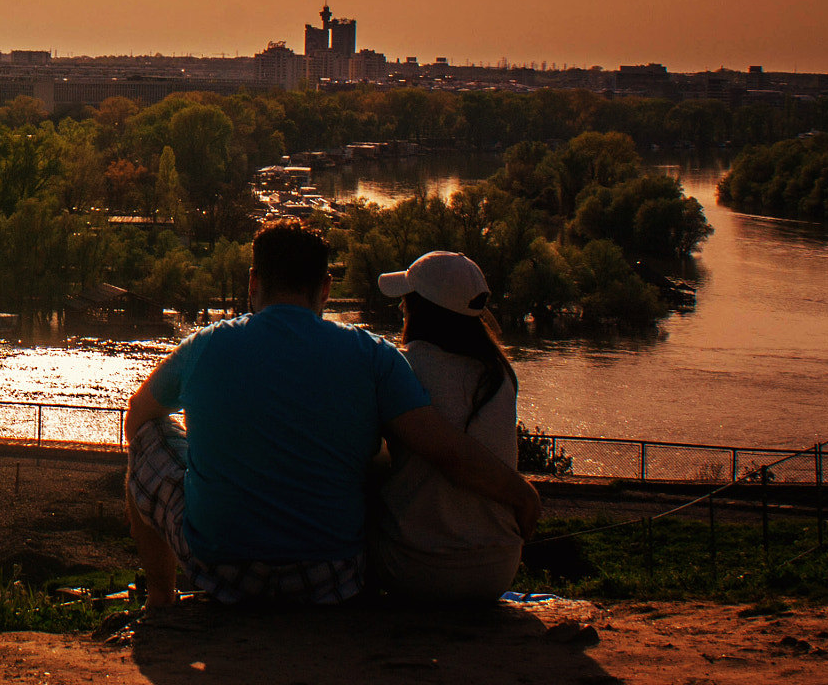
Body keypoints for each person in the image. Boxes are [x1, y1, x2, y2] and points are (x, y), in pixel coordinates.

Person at [124, 221, 539, 606]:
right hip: (333, 578)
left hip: (222, 572)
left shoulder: (204, 346)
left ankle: (161, 598)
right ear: (325, 287)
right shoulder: (376, 356)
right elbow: (441, 447)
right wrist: (520, 492)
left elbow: (137, 416)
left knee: (149, 432)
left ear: (253, 281)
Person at [370, 251, 526, 601]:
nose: (400, 309)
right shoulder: (500, 374)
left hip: (414, 568)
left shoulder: (401, 367)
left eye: (406, 301)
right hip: (498, 568)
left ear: (418, 308)